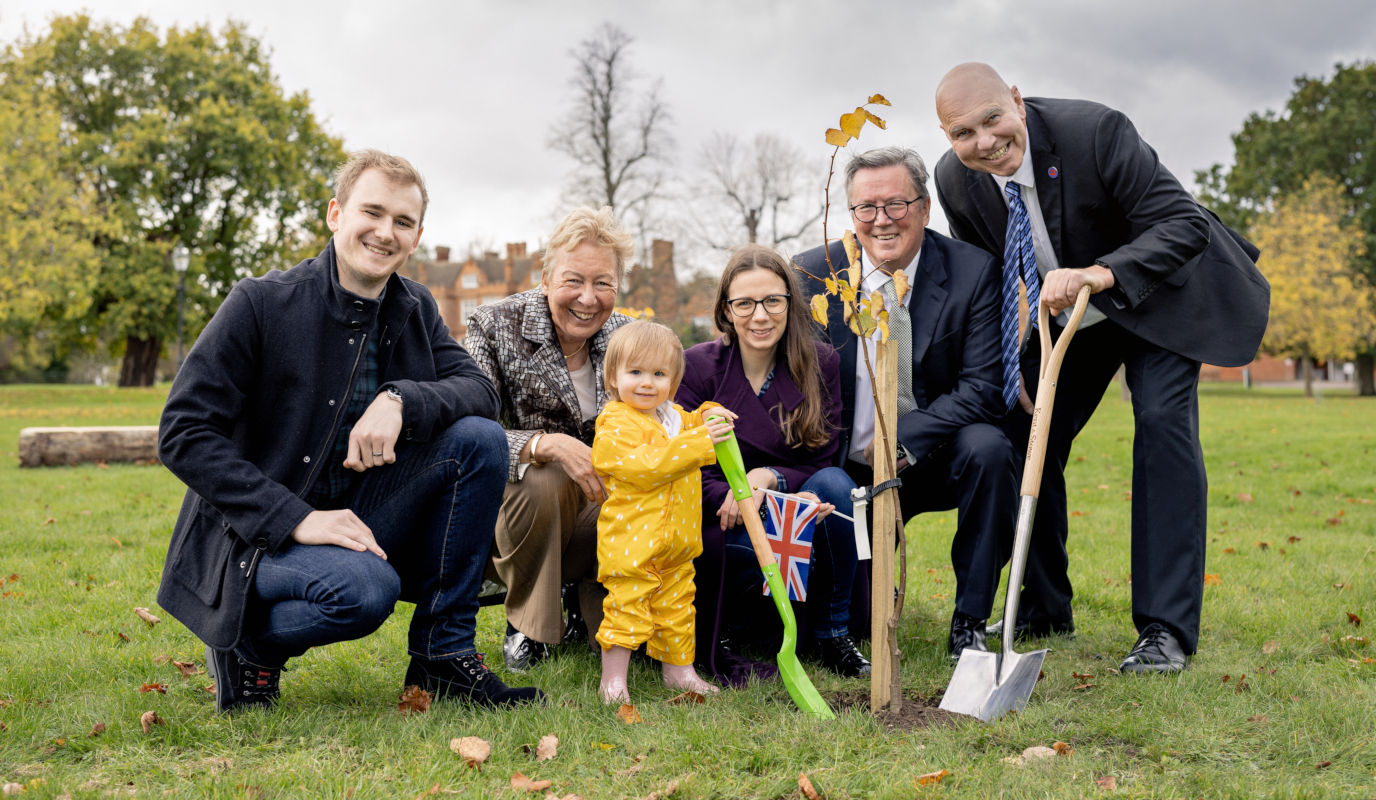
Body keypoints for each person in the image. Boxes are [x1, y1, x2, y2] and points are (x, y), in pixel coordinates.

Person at [157, 149, 542, 713]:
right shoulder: (260, 303)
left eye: (403, 222)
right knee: (365, 592)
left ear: (416, 236)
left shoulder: (413, 305)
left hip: (361, 510)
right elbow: (183, 432)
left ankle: (444, 654)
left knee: (480, 440)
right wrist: (298, 519)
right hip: (255, 533)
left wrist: (400, 400)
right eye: (373, 212)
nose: (386, 232)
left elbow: (480, 392)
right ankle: (249, 649)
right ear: (336, 213)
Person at [932, 63, 1269, 672]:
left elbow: (1183, 222)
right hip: (1065, 320)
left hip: (1155, 297)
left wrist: (1100, 272)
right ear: (946, 136)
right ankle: (1042, 606)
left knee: (1162, 424)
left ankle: (1165, 629)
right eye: (962, 132)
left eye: (992, 119)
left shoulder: (1095, 132)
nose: (984, 141)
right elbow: (988, 273)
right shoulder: (956, 180)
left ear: (1016, 100)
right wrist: (1012, 358)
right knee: (1024, 430)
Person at [794, 146, 1018, 661]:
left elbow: (983, 387)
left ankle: (970, 622)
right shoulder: (812, 275)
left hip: (937, 454)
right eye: (865, 209)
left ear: (924, 207)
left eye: (896, 204)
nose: (881, 221)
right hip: (851, 469)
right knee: (856, 623)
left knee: (990, 448)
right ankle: (854, 606)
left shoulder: (973, 271)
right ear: (851, 215)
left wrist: (905, 441)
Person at [677, 244, 870, 681]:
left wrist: (771, 478)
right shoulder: (696, 368)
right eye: (744, 303)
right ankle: (734, 630)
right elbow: (684, 459)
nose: (759, 316)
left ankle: (833, 632)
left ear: (789, 303)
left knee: (838, 484)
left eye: (772, 301)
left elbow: (824, 455)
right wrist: (737, 494)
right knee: (716, 541)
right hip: (723, 512)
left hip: (798, 505)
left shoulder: (820, 363)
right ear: (726, 310)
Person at [465, 207, 634, 671]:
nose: (588, 297)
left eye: (603, 283)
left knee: (647, 494)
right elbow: (468, 431)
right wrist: (545, 445)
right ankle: (528, 625)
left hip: (599, 504)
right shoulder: (494, 326)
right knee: (548, 478)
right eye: (573, 281)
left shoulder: (627, 334)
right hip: (515, 510)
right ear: (545, 279)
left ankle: (605, 615)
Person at [592, 321, 735, 704]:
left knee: (677, 606)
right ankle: (613, 681)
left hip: (677, 541)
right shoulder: (615, 423)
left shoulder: (671, 417)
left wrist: (709, 414)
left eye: (659, 374)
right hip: (632, 542)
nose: (646, 383)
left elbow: (690, 424)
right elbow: (648, 464)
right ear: (612, 377)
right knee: (627, 606)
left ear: (672, 382)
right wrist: (701, 441)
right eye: (635, 372)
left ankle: (678, 671)